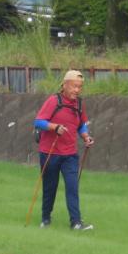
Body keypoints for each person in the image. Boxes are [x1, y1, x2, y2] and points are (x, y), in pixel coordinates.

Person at [34, 69, 95, 231]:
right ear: (65, 85)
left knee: (72, 186)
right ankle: (45, 218)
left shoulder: (79, 104)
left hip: (70, 154)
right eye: (74, 86)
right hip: (50, 152)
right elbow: (39, 121)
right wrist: (54, 127)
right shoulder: (53, 101)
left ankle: (76, 222)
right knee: (50, 187)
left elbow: (81, 124)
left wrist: (85, 137)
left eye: (79, 87)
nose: (77, 90)